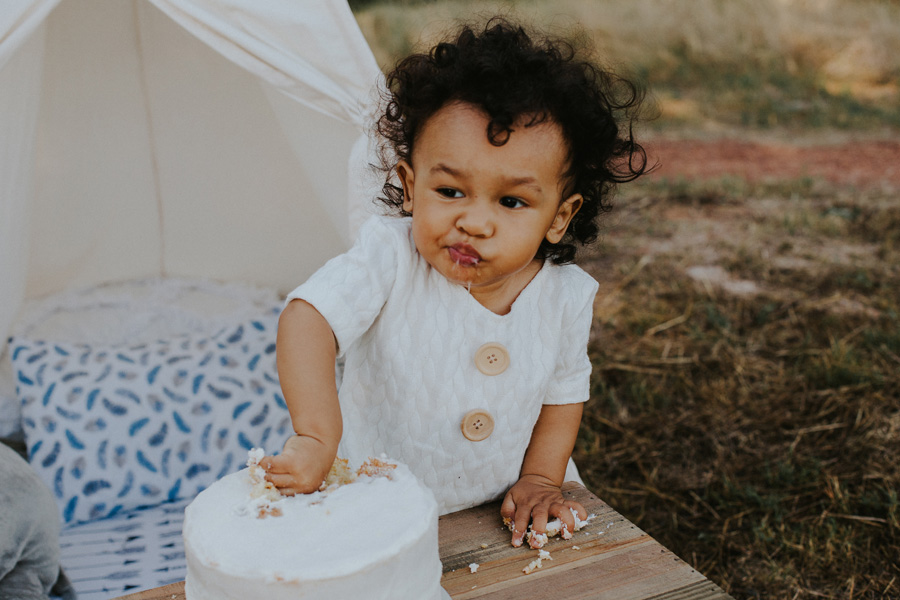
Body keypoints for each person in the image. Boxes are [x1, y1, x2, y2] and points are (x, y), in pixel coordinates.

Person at [263, 17, 648, 547]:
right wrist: (316, 434)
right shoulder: (390, 257)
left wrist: (541, 478)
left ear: (560, 216)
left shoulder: (566, 295)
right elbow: (310, 318)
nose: (474, 221)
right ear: (409, 185)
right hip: (371, 504)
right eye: (449, 192)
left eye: (511, 201)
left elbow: (563, 396)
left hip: (498, 511)